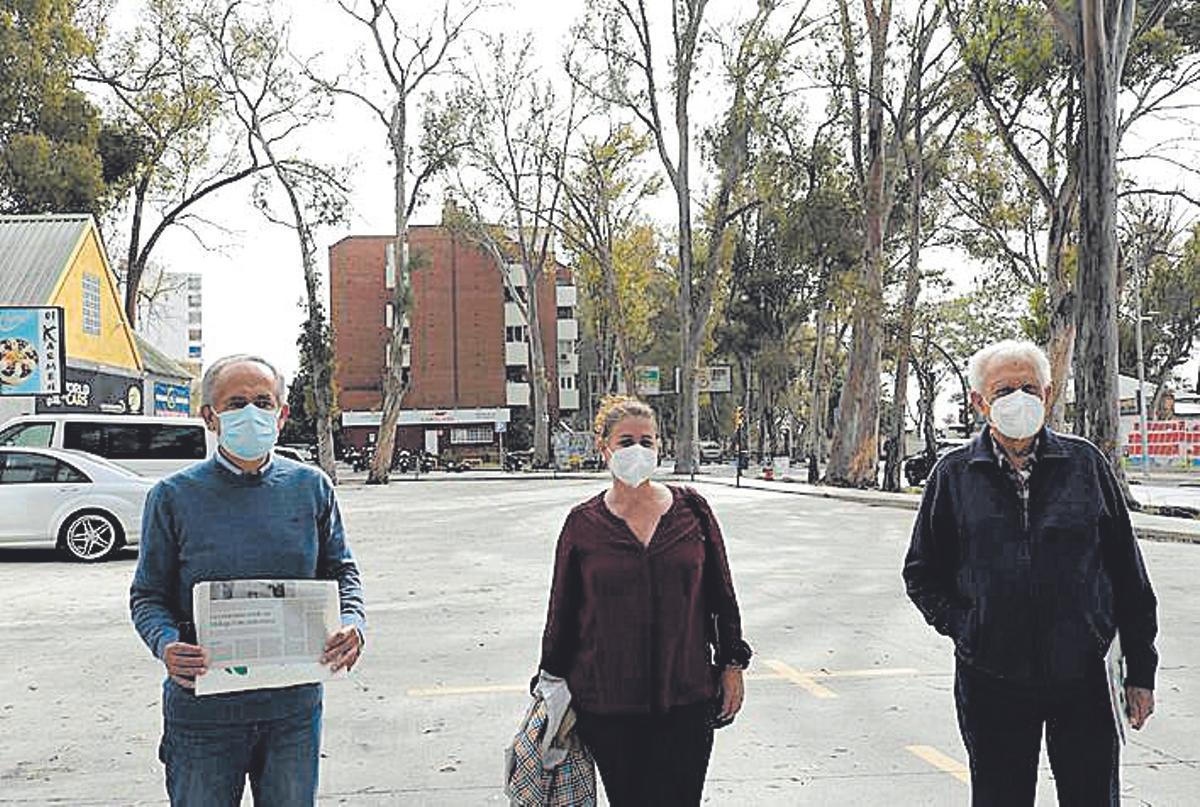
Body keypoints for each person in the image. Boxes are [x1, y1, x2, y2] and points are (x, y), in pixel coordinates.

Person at [903, 340, 1158, 807]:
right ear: (980, 403)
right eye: (1002, 391)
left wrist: (1140, 670)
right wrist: (968, 626)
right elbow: (922, 572)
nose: (1016, 399)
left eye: (1027, 388)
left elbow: (1129, 576)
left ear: (1047, 392)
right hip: (991, 679)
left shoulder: (1086, 466)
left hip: (1085, 677)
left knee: (1093, 797)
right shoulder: (954, 475)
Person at [130, 354, 366, 807]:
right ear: (209, 417)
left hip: (293, 712)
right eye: (236, 403)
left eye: (263, 401)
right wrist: (165, 643)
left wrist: (353, 623)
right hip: (203, 713)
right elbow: (148, 596)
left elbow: (341, 572)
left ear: (281, 414)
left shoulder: (311, 488)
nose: (251, 413)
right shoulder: (172, 497)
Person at [538, 395, 752, 807]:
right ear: (604, 450)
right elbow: (561, 611)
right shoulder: (582, 524)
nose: (637, 451)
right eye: (625, 442)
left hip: (687, 695)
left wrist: (732, 664)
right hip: (608, 701)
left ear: (660, 448)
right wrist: (549, 680)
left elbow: (721, 596)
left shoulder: (693, 511)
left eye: (647, 442)